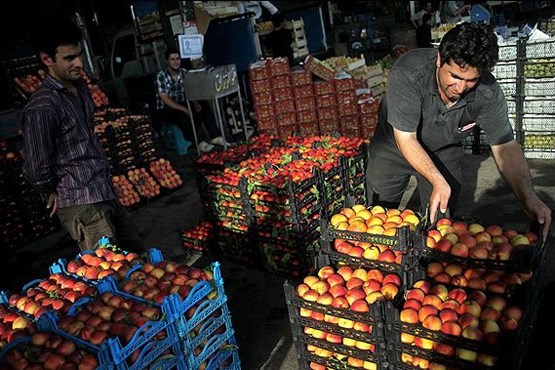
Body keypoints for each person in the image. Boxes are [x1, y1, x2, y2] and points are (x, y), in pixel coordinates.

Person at [366, 22, 552, 240]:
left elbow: (505, 146)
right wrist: (437, 179)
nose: (461, 88)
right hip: (394, 147)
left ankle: (427, 265)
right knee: (378, 218)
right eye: (455, 76)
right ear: (439, 60)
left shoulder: (487, 93)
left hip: (444, 151)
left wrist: (528, 197)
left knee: (441, 224)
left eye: (471, 80)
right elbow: (405, 139)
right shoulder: (408, 73)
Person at [21, 17, 144, 253]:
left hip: (104, 189)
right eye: (69, 58)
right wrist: (52, 190)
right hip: (81, 201)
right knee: (110, 272)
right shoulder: (43, 106)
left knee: (137, 257)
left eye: (79, 55)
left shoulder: (80, 89)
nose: (79, 63)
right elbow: (35, 167)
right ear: (47, 59)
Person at [156, 48, 228, 153]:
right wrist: (184, 109)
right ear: (167, 62)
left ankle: (215, 137)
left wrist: (195, 103)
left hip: (183, 102)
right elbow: (165, 98)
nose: (176, 62)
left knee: (204, 106)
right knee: (182, 115)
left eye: (177, 58)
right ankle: (199, 143)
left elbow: (190, 90)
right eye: (172, 59)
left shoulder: (184, 73)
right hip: (166, 108)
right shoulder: (161, 76)